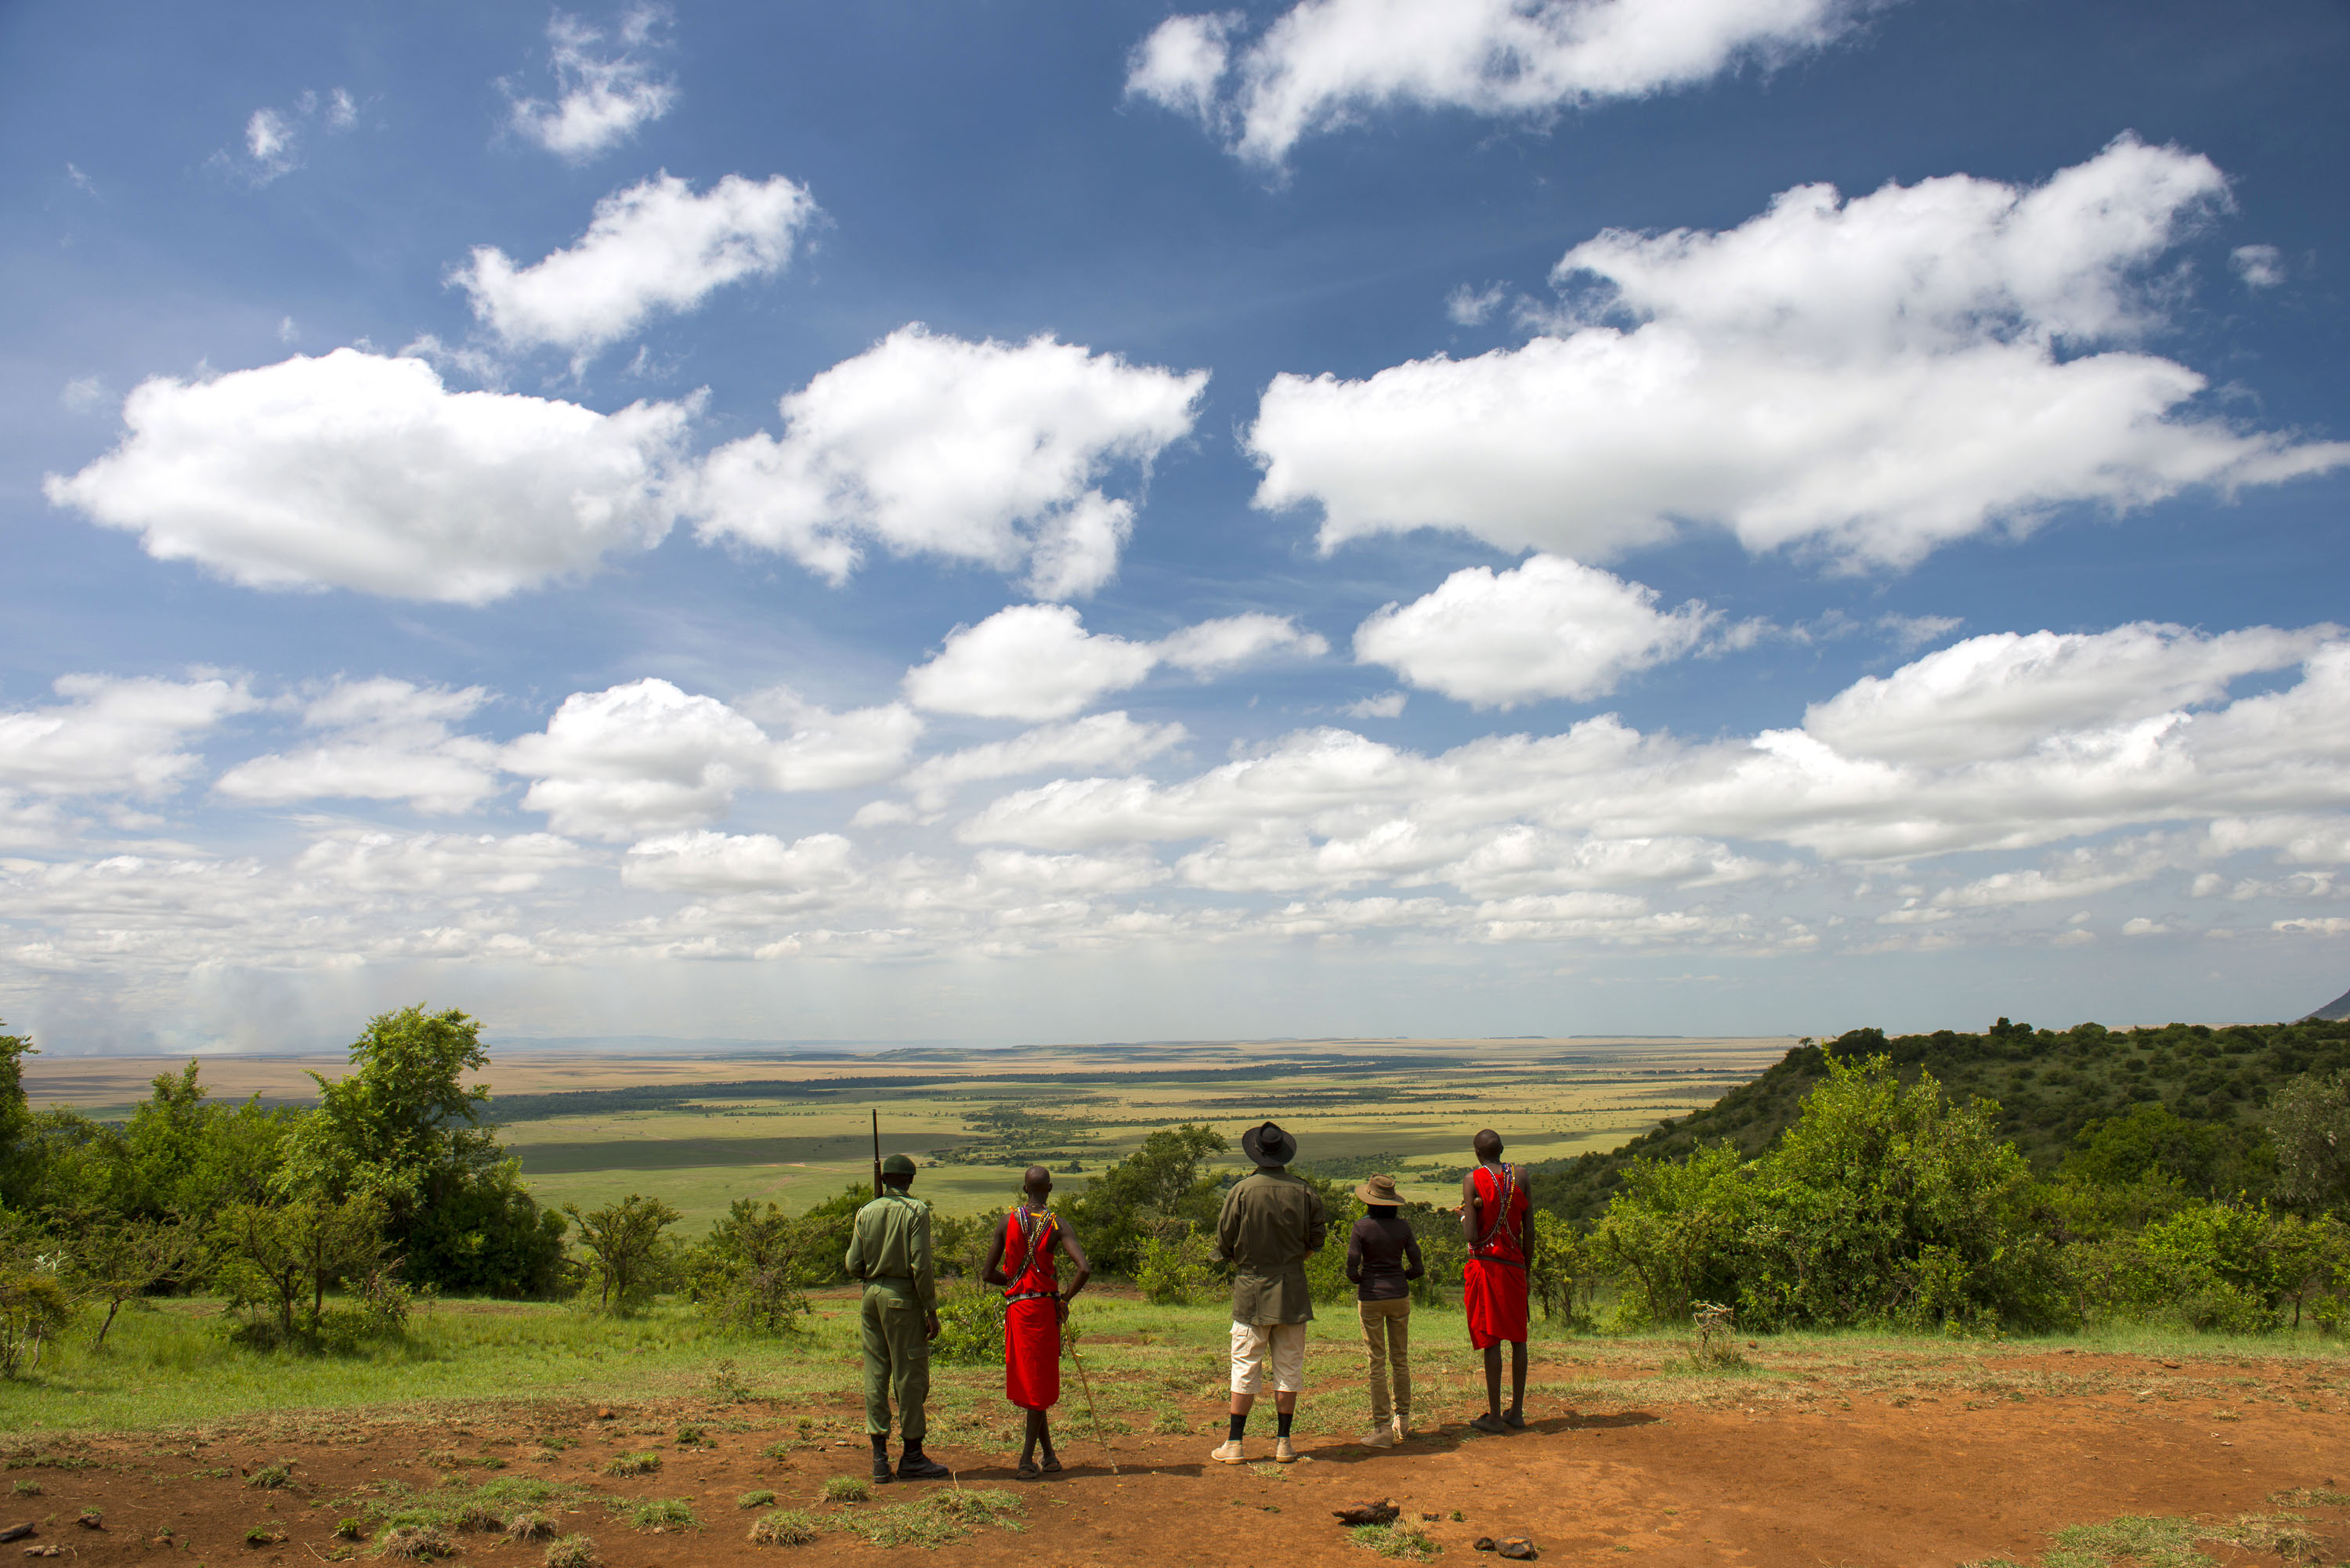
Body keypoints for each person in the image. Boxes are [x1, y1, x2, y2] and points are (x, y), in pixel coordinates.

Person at [1210, 1121, 1328, 1465]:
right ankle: (1284, 1443)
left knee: (1245, 1365)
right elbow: (1316, 1241)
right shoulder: (1304, 1191)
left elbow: (1224, 1241)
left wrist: (1246, 1263)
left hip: (1251, 1289)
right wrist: (1291, 1262)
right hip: (1292, 1290)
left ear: (1257, 1153)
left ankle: (1235, 1444)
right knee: (1289, 1367)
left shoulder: (1242, 1191)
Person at [843, 1153, 950, 1483]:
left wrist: (876, 1275)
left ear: (884, 1179)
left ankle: (879, 1458)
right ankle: (913, 1457)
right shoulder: (916, 1210)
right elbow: (921, 1264)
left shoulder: (866, 1211)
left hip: (871, 1297)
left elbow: (852, 1264)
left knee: (876, 1374)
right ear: (910, 1179)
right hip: (902, 1299)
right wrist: (930, 1308)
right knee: (910, 1375)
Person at [981, 1164, 1092, 1479]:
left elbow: (988, 1274)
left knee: (1033, 1383)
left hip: (1017, 1309)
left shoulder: (1007, 1222)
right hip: (1044, 1311)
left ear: (1025, 1189)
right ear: (1050, 1188)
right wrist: (1063, 1298)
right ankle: (1029, 1460)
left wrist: (1014, 1282)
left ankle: (1044, 1456)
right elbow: (1083, 1269)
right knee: (1038, 1383)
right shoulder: (1058, 1224)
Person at [1459, 1128, 1534, 1433]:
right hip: (1515, 1264)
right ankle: (1516, 1412)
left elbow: (1472, 1236)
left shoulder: (1471, 1180)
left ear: (1478, 1154)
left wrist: (1466, 1216)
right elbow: (1528, 1230)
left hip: (1487, 1268)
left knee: (1492, 1339)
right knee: (1518, 1338)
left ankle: (1493, 1416)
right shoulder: (1523, 1176)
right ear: (1502, 1149)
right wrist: (1526, 1269)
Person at [1346, 1172, 1424, 1448]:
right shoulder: (1402, 1228)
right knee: (1400, 1358)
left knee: (1376, 1361)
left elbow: (1352, 1265)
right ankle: (1402, 1420)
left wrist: (1360, 1279)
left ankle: (1382, 1428)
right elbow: (1418, 1267)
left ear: (1368, 1201)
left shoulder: (1361, 1228)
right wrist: (1401, 1276)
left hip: (1371, 1297)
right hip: (1398, 1296)